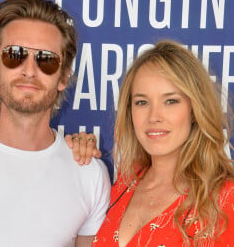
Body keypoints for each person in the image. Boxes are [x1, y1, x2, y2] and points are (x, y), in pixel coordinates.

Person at [0, 0, 111, 247]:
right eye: (15, 55)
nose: (29, 70)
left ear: (63, 78)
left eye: (46, 60)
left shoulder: (90, 174)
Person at [75, 40, 234, 246]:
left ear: (195, 110)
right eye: (142, 102)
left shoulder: (225, 199)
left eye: (170, 101)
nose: (154, 116)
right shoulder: (127, 180)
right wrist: (75, 153)